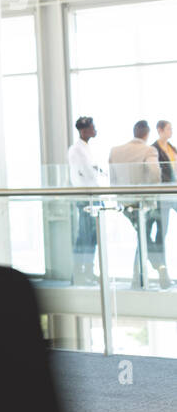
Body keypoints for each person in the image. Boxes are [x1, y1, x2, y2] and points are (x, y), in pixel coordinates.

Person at [108, 121, 163, 289]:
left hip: (124, 203)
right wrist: (154, 190)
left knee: (143, 237)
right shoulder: (149, 150)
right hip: (143, 202)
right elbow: (155, 173)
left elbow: (113, 179)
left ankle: (138, 278)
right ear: (146, 134)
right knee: (144, 237)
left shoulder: (115, 151)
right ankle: (161, 270)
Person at [67, 116, 104, 285]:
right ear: (83, 130)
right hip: (85, 198)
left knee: (93, 236)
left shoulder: (87, 148)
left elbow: (94, 171)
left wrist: (96, 171)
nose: (95, 130)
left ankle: (89, 271)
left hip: (94, 196)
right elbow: (87, 173)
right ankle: (79, 273)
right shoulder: (76, 150)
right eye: (92, 127)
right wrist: (95, 171)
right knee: (84, 237)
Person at [147, 119, 175, 285]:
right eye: (169, 129)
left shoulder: (171, 148)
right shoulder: (154, 149)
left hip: (172, 194)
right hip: (163, 196)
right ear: (160, 130)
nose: (171, 132)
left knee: (160, 234)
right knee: (160, 234)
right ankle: (162, 271)